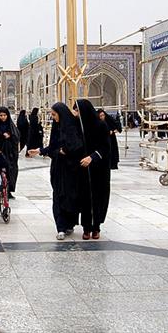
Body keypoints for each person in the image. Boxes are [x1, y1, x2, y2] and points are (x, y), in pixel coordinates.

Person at [28, 103, 85, 240]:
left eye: (54, 114)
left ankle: (69, 224)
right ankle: (60, 227)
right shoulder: (56, 127)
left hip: (72, 170)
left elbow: (79, 146)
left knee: (70, 197)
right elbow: (53, 147)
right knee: (58, 196)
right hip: (58, 169)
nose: (53, 117)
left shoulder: (74, 126)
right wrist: (41, 150)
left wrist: (67, 150)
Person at [73, 99, 111, 239]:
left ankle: (96, 227)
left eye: (78, 111)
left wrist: (92, 157)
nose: (76, 114)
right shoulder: (78, 126)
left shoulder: (101, 125)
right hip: (83, 169)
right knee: (85, 198)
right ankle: (86, 227)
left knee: (98, 197)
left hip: (98, 169)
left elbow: (106, 147)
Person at [0, 107, 20, 199]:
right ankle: (0, 190)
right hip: (0, 152)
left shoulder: (11, 126)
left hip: (10, 154)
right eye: (1, 115)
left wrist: (10, 135)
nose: (3, 117)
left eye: (4, 115)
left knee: (11, 171)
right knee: (0, 171)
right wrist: (1, 136)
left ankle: (8, 191)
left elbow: (16, 137)